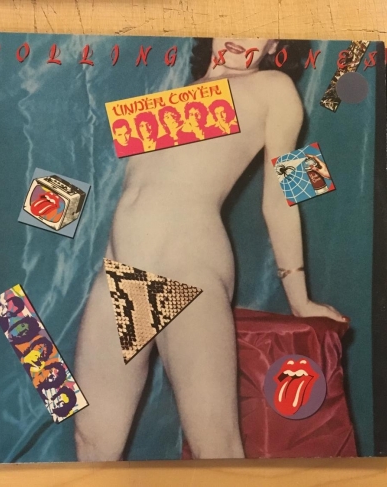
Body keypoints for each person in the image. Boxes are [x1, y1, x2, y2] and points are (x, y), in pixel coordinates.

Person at [75, 38, 347, 462]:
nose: (243, 32)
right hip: (123, 269)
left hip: (191, 267)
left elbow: (283, 196)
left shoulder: (274, 88)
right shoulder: (172, 95)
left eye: (260, 27)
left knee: (216, 448)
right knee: (91, 441)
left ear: (276, 43)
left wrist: (300, 298)